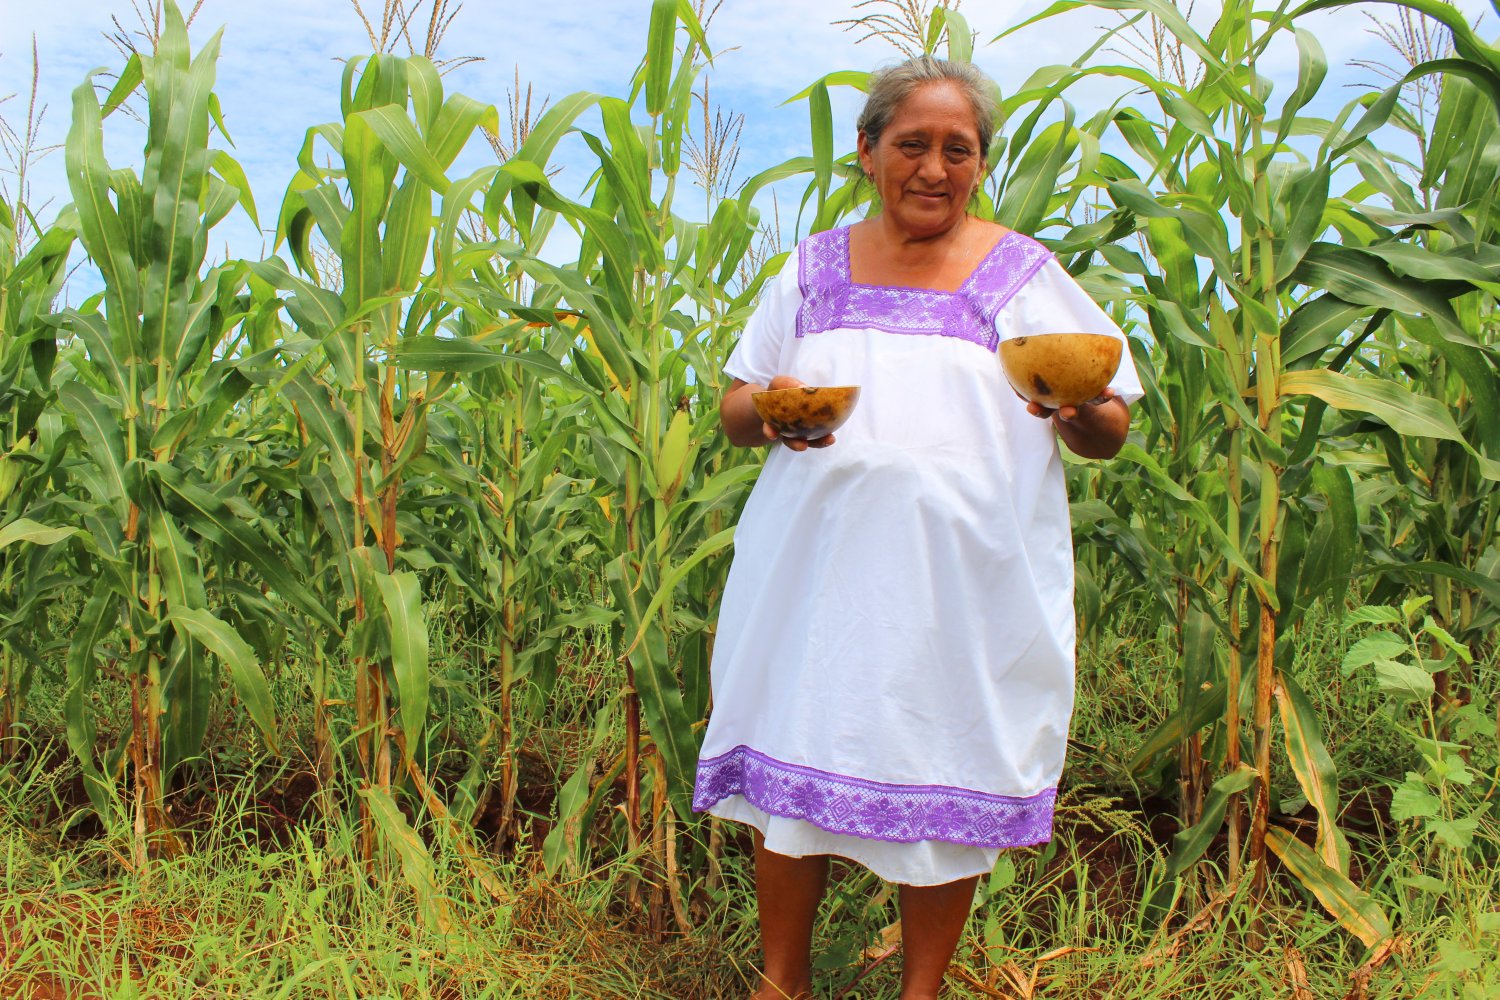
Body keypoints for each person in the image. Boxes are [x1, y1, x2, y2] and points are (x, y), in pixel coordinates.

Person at [692, 55, 1143, 1000]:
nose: (935, 168)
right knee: (794, 761)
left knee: (948, 768)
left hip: (963, 586)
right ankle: (783, 983)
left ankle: (921, 991)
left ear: (981, 164)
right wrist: (773, 408)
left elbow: (1108, 427)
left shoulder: (1021, 273)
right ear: (867, 152)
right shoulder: (813, 270)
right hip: (813, 577)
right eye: (912, 145)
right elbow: (735, 410)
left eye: (959, 149)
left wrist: (1078, 410)